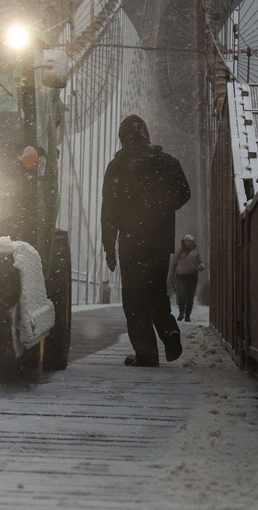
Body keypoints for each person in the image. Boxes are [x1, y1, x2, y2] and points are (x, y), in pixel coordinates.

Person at [100, 114, 191, 367]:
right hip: (159, 240)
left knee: (134, 297)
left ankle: (146, 353)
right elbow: (185, 193)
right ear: (146, 136)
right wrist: (160, 207)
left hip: (131, 241)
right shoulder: (168, 162)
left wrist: (109, 247)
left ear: (122, 138)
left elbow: (108, 211)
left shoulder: (117, 167)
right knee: (156, 291)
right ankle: (170, 332)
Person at [169, 234, 205, 322]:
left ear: (192, 242)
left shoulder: (196, 252)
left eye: (189, 241)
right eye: (186, 241)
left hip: (192, 276)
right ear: (183, 242)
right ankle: (181, 312)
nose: (187, 243)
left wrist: (201, 266)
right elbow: (173, 264)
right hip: (180, 276)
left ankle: (187, 315)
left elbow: (202, 262)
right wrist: (171, 277)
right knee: (181, 294)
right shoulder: (179, 252)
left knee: (190, 296)